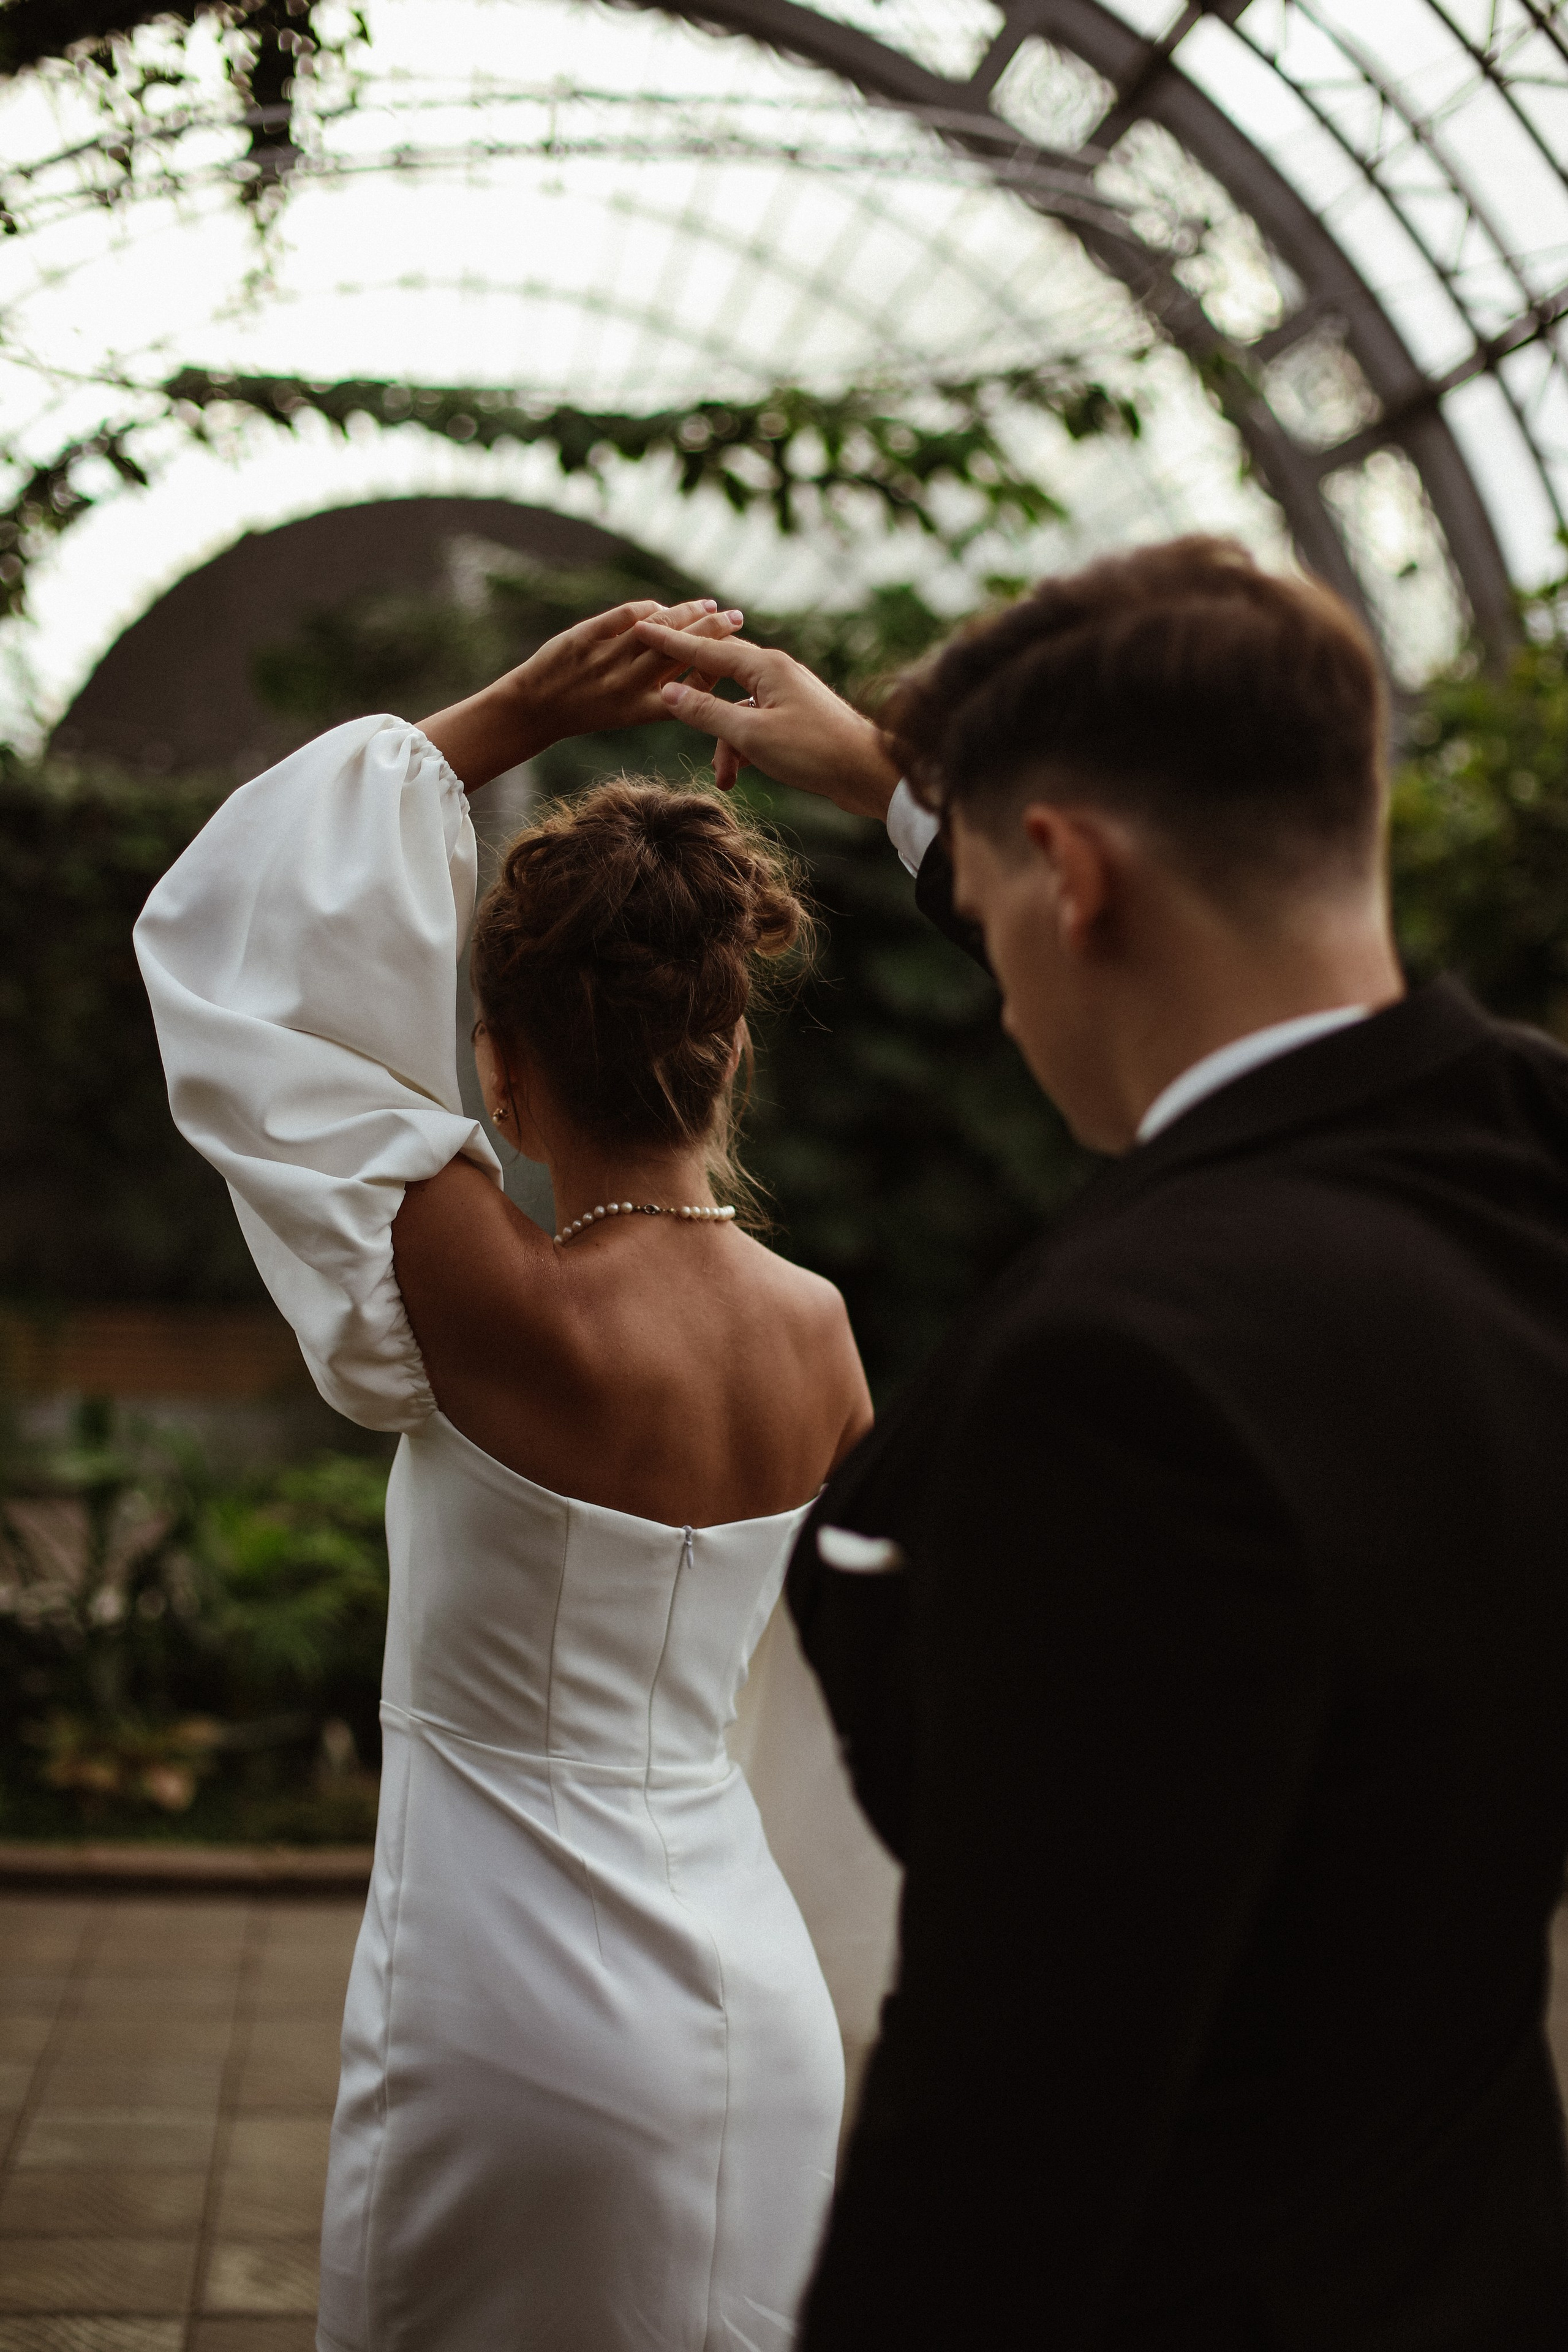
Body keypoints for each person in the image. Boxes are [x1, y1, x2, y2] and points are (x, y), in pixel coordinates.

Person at [638, 539, 1568, 2347]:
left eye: (990, 907)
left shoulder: (1118, 1384)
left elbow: (1014, 2120)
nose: (997, 987)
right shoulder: (1529, 1156)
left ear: (1069, 872)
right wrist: (921, 804)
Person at [134, 596, 873, 2352]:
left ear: (499, 1070)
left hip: (507, 2024)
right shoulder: (827, 1336)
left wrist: (506, 714)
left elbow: (244, 958)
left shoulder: (491, 1297)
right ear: (731, 1044)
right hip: (757, 2009)